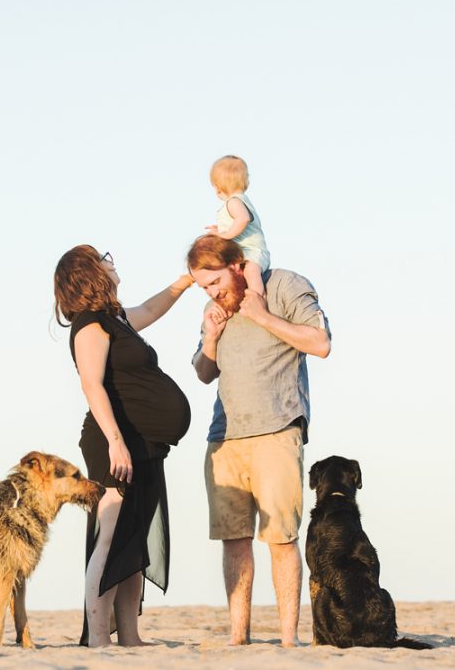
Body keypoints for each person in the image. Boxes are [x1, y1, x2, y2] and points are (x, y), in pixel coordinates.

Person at [187, 235, 330, 647]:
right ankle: (238, 637)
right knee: (234, 540)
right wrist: (210, 339)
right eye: (203, 287)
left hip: (277, 430)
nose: (211, 293)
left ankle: (288, 640)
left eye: (214, 282)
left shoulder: (285, 285)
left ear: (236, 265)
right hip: (224, 438)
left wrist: (264, 316)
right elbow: (202, 371)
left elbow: (320, 344)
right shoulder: (214, 308)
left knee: (281, 538)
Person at [53, 245, 193, 647]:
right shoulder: (89, 326)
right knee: (112, 534)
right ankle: (99, 639)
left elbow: (150, 309)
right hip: (114, 441)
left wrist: (186, 281)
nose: (111, 261)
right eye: (103, 257)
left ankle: (130, 636)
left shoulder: (116, 320)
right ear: (88, 274)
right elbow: (91, 385)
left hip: (144, 441)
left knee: (133, 540)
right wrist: (116, 443)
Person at [204, 155, 271, 296]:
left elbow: (243, 219)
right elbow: (236, 223)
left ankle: (257, 298)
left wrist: (225, 235)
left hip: (253, 252)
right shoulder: (239, 201)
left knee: (251, 272)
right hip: (243, 253)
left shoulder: (233, 202)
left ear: (218, 187)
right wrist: (220, 229)